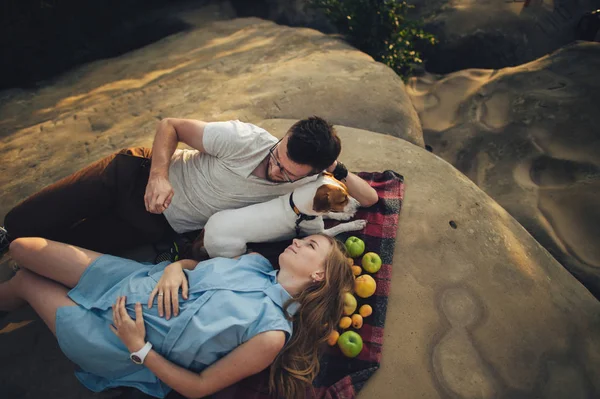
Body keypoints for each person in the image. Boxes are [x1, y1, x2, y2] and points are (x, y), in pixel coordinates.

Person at [0, 233, 355, 398]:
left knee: (27, 280)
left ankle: (13, 298)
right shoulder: (255, 263)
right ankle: (12, 300)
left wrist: (138, 348)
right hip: (131, 280)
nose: (298, 241)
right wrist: (173, 270)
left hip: (117, 340)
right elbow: (191, 267)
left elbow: (199, 387)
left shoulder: (272, 333)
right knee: (22, 248)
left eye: (310, 246)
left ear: (318, 276)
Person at [0, 117, 378, 255]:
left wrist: (336, 168)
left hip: (158, 223)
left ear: (313, 172)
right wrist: (159, 177)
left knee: (64, 250)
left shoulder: (315, 180)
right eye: (277, 156)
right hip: (134, 175)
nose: (275, 169)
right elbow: (171, 126)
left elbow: (371, 198)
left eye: (287, 172)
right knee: (32, 218)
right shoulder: (244, 139)